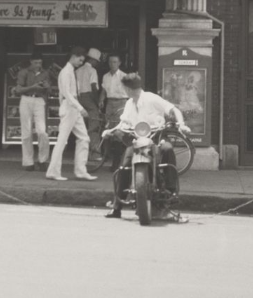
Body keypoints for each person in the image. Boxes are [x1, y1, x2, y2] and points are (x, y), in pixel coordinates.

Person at [102, 73, 191, 219]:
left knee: (167, 149)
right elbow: (123, 123)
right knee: (124, 165)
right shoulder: (130, 104)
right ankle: (117, 207)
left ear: (129, 89)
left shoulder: (151, 98)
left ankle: (171, 192)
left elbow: (173, 109)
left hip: (156, 137)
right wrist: (110, 131)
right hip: (137, 140)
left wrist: (181, 125)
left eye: (124, 88)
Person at [47, 47, 98, 181]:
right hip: (70, 106)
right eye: (80, 60)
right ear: (74, 56)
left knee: (84, 138)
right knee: (62, 140)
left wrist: (76, 107)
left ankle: (81, 170)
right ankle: (53, 171)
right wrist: (80, 108)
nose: (81, 63)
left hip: (73, 107)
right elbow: (66, 94)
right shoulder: (65, 72)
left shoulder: (71, 71)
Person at [14, 52, 52, 171]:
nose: (38, 65)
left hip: (39, 100)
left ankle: (43, 160)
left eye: (40, 62)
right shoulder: (24, 72)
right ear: (31, 62)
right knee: (26, 132)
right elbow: (18, 90)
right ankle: (28, 161)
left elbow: (49, 90)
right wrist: (33, 87)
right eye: (35, 62)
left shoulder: (45, 73)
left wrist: (46, 86)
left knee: (42, 131)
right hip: (26, 99)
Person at [99, 53, 129, 166]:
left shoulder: (124, 76)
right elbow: (103, 91)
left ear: (119, 63)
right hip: (109, 103)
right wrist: (101, 100)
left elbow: (131, 92)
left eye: (115, 62)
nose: (112, 64)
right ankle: (106, 156)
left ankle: (117, 161)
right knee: (107, 129)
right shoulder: (105, 76)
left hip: (121, 103)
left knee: (118, 131)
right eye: (110, 62)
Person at [76, 48, 102, 157]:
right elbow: (93, 87)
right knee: (94, 125)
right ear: (93, 60)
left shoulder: (77, 70)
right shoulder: (92, 71)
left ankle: (81, 153)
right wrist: (97, 102)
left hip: (78, 98)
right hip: (89, 98)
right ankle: (94, 152)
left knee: (80, 127)